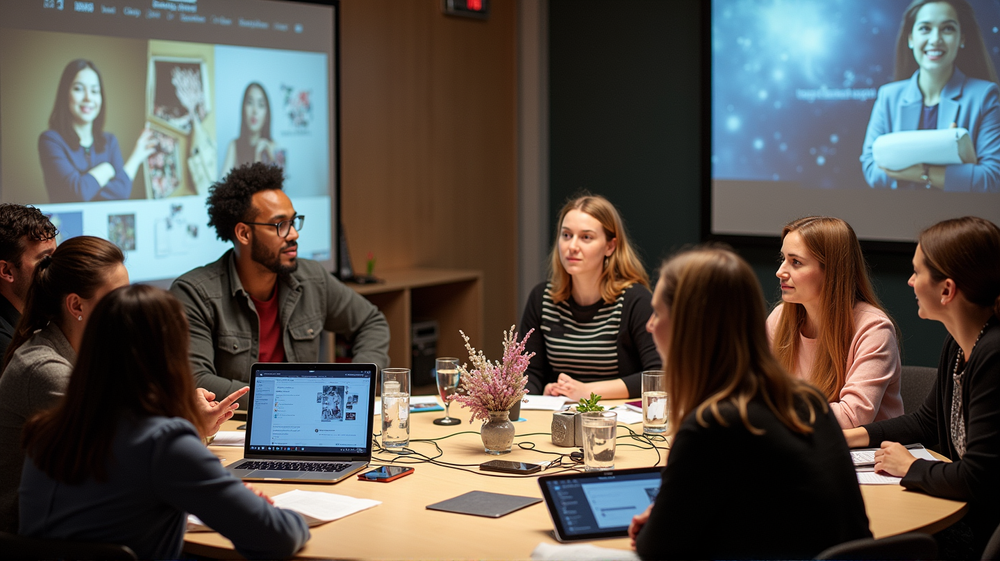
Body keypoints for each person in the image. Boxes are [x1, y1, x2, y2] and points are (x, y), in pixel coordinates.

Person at [18, 285, 309, 559]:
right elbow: (277, 537)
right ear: (171, 355)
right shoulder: (163, 442)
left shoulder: (45, 431)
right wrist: (281, 515)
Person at [629, 247, 871, 559]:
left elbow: (656, 550)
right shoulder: (809, 402)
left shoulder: (709, 426)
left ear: (687, 326)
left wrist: (662, 522)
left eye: (658, 313)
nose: (650, 326)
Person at [0, 236, 243, 533]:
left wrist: (190, 423)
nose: (129, 306)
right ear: (76, 305)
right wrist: (189, 423)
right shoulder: (46, 371)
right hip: (42, 540)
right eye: (117, 298)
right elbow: (133, 456)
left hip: (83, 514)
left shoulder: (96, 350)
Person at [170, 162, 390, 408]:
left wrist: (355, 383)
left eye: (294, 222)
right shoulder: (194, 293)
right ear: (244, 233)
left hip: (304, 423)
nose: (294, 234)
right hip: (233, 425)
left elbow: (371, 323)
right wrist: (291, 399)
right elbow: (197, 381)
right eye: (280, 225)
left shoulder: (312, 278)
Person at [844, 216, 1000, 558]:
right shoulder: (958, 345)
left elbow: (978, 477)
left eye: (917, 272)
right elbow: (926, 422)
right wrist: (850, 437)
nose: (911, 281)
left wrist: (909, 467)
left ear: (947, 290)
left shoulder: (993, 354)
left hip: (981, 534)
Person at [519, 194, 660, 400]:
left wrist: (588, 392)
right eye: (566, 235)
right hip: (559, 412)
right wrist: (540, 392)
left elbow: (658, 375)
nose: (572, 246)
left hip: (616, 415)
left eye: (586, 237)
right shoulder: (542, 298)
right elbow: (529, 371)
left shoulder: (635, 300)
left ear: (610, 246)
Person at [767, 216, 904, 428]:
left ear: (831, 271)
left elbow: (851, 417)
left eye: (796, 262)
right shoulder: (779, 318)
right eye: (783, 259)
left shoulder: (873, 329)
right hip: (800, 440)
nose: (780, 272)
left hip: (867, 448)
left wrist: (773, 410)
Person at [860, 0, 1000, 192]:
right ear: (910, 39)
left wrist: (920, 172)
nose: (935, 39)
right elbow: (871, 169)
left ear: (962, 38)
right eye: (925, 28)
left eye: (948, 29)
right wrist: (954, 170)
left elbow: (991, 178)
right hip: (900, 208)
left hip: (958, 210)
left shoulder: (985, 96)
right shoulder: (888, 97)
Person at [38, 59, 155, 203]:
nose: (88, 98)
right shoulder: (50, 140)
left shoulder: (109, 142)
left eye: (94, 91)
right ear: (65, 93)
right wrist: (106, 169)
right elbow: (77, 193)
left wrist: (136, 158)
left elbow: (121, 193)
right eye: (79, 89)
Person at [0, 204, 56, 359]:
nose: (57, 267)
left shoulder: (43, 314)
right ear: (6, 271)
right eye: (46, 259)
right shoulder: (4, 344)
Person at [221, 82, 283, 173]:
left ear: (267, 114)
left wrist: (271, 160)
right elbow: (223, 181)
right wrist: (256, 161)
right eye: (250, 103)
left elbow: (282, 180)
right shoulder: (234, 146)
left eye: (261, 105)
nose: (255, 110)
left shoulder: (274, 147)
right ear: (243, 109)